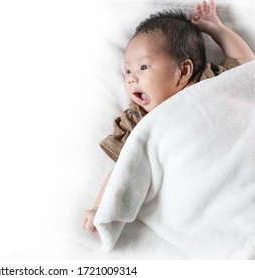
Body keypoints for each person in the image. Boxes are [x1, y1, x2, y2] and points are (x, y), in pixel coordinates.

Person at [84, 0, 255, 233]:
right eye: (128, 71)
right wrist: (98, 206)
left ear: (183, 71)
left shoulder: (209, 82)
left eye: (143, 67)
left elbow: (246, 66)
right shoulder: (137, 120)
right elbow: (122, 168)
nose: (132, 78)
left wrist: (217, 29)